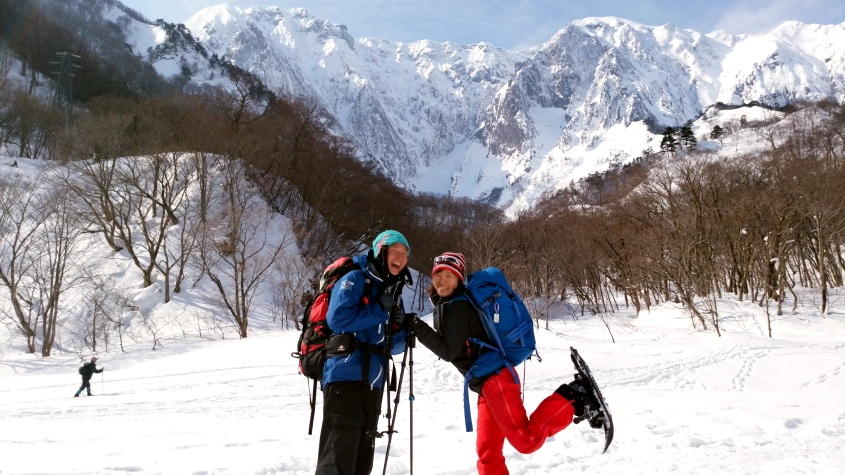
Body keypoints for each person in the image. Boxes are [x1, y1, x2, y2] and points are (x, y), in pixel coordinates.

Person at [406, 252, 601, 475]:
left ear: (458, 280)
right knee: (488, 453)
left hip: (496, 381)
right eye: (438, 275)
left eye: (449, 276)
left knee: (526, 440)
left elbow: (448, 352)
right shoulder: (447, 305)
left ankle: (574, 397)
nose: (442, 281)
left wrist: (415, 324)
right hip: (485, 385)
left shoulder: (457, 307)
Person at [316, 230, 412, 475]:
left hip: (373, 383)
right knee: (337, 461)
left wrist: (399, 328)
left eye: (405, 254)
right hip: (345, 377)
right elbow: (338, 318)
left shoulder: (393, 293)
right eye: (395, 251)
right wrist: (380, 309)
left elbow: (395, 347)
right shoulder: (356, 278)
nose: (400, 257)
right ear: (381, 252)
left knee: (361, 461)